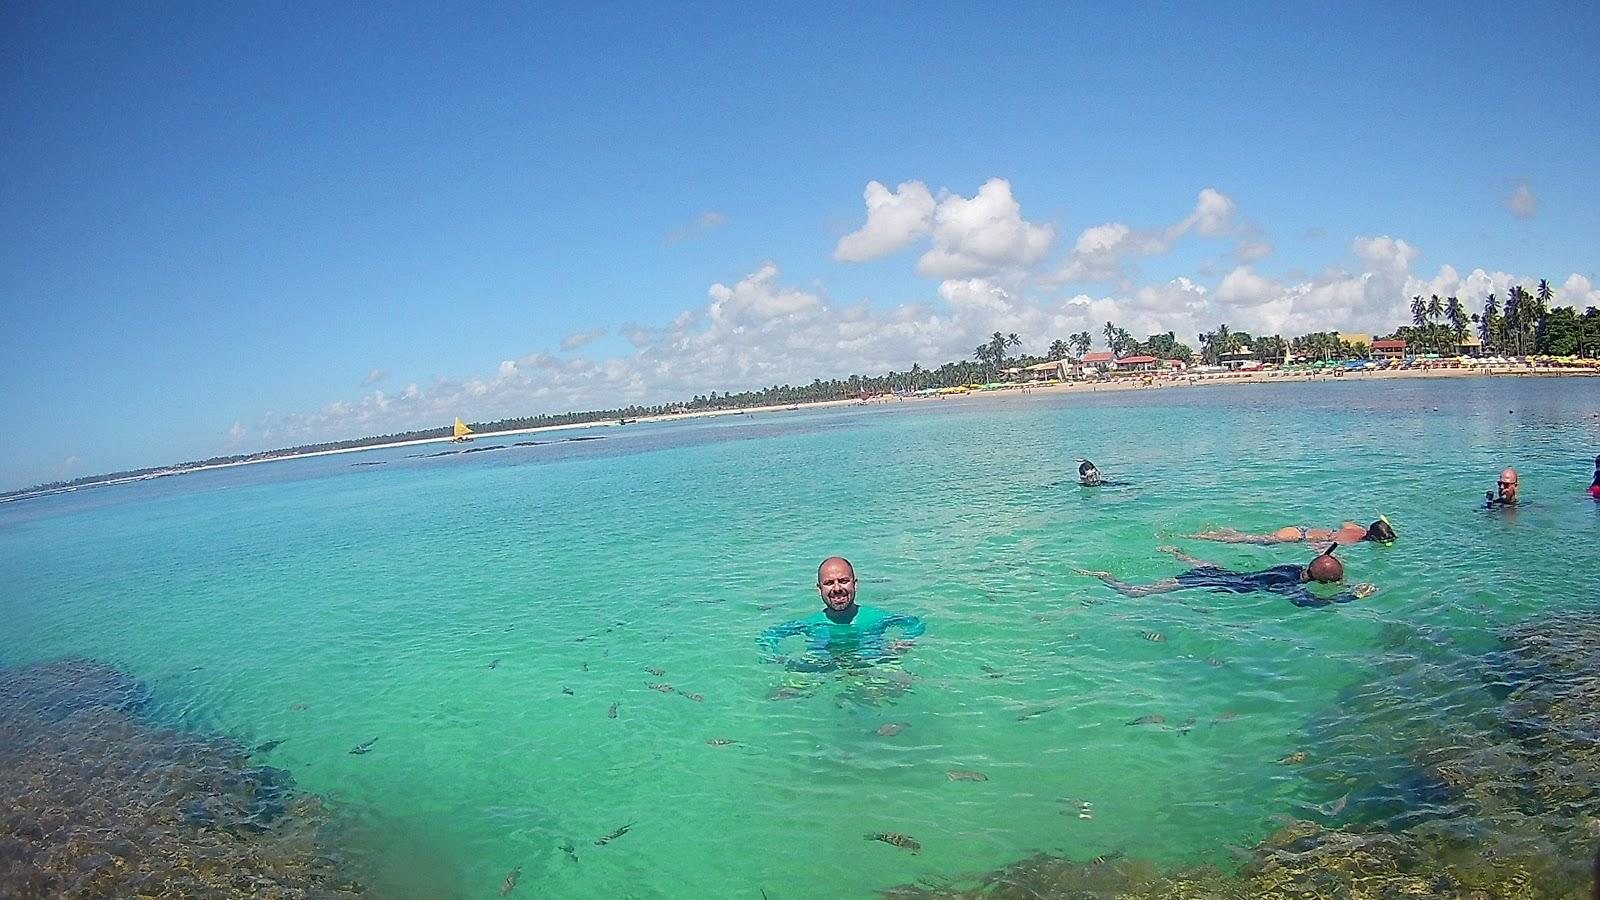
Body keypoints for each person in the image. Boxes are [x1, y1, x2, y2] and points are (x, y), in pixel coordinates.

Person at [757, 557, 926, 671]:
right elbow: (768, 635)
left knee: (902, 683)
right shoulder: (811, 623)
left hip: (874, 664)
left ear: (855, 584)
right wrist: (779, 655)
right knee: (782, 694)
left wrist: (904, 641)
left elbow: (914, 623)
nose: (837, 588)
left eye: (844, 581)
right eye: (829, 583)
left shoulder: (876, 617)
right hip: (820, 668)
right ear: (819, 589)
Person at [1074, 545, 1377, 608]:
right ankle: (1106, 576)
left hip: (1222, 573)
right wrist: (1351, 595)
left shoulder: (1291, 568)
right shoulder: (1290, 585)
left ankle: (1179, 553)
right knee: (1136, 593)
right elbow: (1309, 604)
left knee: (1209, 566)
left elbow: (1321, 565)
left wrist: (1330, 563)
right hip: (1213, 582)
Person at [1187, 517, 1396, 547]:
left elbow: (1344, 522)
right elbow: (1320, 549)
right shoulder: (1351, 541)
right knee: (1240, 540)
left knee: (1246, 537)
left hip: (1300, 529)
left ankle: (1220, 532)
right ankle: (1195, 536)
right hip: (1296, 537)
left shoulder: (1355, 529)